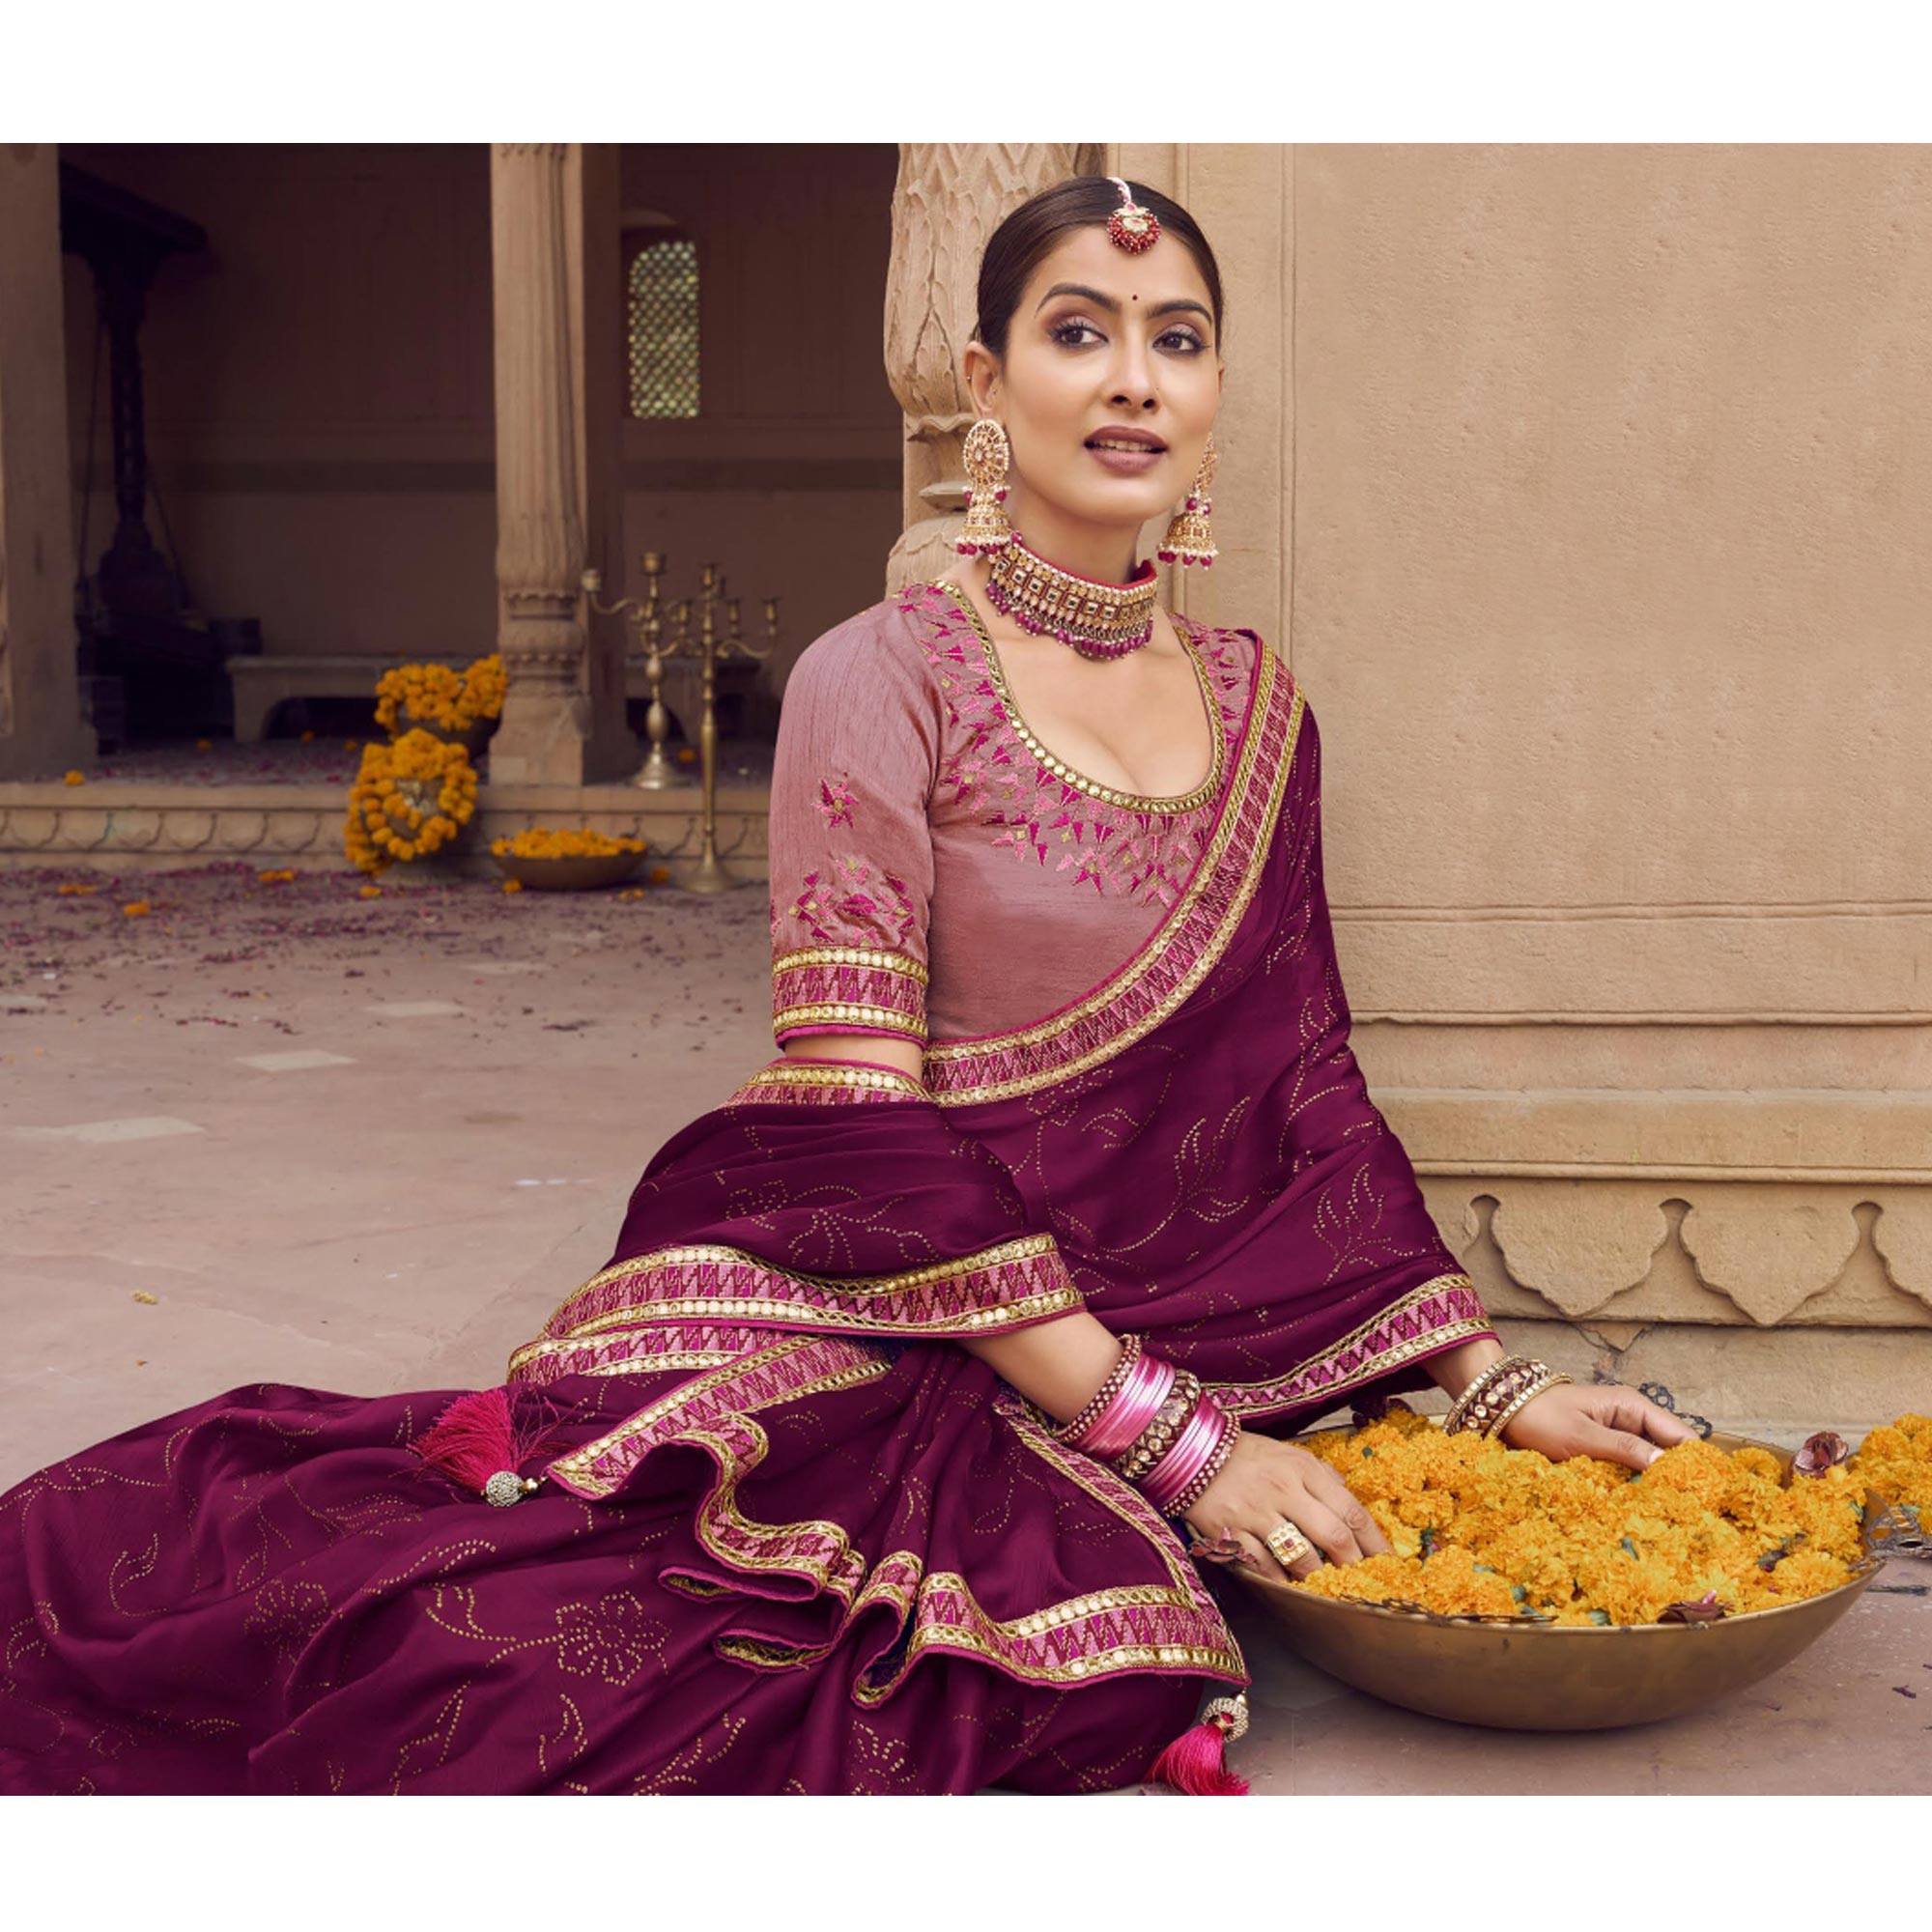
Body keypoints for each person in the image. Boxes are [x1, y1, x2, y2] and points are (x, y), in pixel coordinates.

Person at [0, 176, 1693, 1797]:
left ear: (1215, 394)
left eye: (1177, 340)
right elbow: (859, 1115)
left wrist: (1490, 1383)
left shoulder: (1263, 710)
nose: (1131, 381)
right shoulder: (883, 676)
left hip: (1178, 1305)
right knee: (538, 1680)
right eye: (1080, 330)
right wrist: (1181, 1446)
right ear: (987, 378)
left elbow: (1308, 1075)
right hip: (897, 1297)